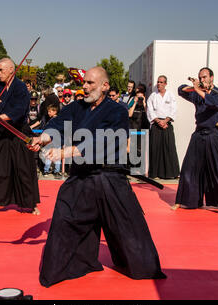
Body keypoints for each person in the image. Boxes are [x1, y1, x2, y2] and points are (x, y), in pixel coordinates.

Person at [29, 66, 166, 287]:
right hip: (82, 176)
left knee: (128, 230)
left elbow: (104, 142)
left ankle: (140, 265)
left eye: (90, 83)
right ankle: (75, 263)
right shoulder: (77, 107)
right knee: (65, 217)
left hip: (109, 177)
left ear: (105, 86)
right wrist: (43, 138)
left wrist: (65, 152)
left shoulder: (117, 111)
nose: (84, 86)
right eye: (84, 83)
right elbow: (58, 124)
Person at [0, 57, 40, 216]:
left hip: (19, 131)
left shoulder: (20, 88)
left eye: (1, 70)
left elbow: (19, 111)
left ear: (11, 70)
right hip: (3, 133)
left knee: (24, 168)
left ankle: (31, 203)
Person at [173, 67, 218, 211]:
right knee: (189, 168)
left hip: (214, 135)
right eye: (200, 77)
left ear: (212, 77)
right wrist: (194, 86)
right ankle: (188, 201)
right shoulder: (197, 93)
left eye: (204, 77)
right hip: (199, 134)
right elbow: (180, 90)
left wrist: (199, 90)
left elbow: (215, 104)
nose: (202, 79)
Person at [146, 75, 180, 179]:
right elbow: (150, 109)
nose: (159, 84)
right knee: (155, 148)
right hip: (156, 124)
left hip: (167, 123)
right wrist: (157, 121)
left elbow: (174, 109)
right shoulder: (153, 96)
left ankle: (172, 173)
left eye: (161, 82)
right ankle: (155, 173)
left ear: (165, 83)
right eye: (158, 82)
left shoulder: (170, 95)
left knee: (169, 148)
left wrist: (165, 121)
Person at [41, 105, 62, 178]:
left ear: (55, 111)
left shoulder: (53, 121)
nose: (48, 113)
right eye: (48, 111)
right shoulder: (59, 120)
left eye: (50, 111)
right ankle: (56, 171)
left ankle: (46, 171)